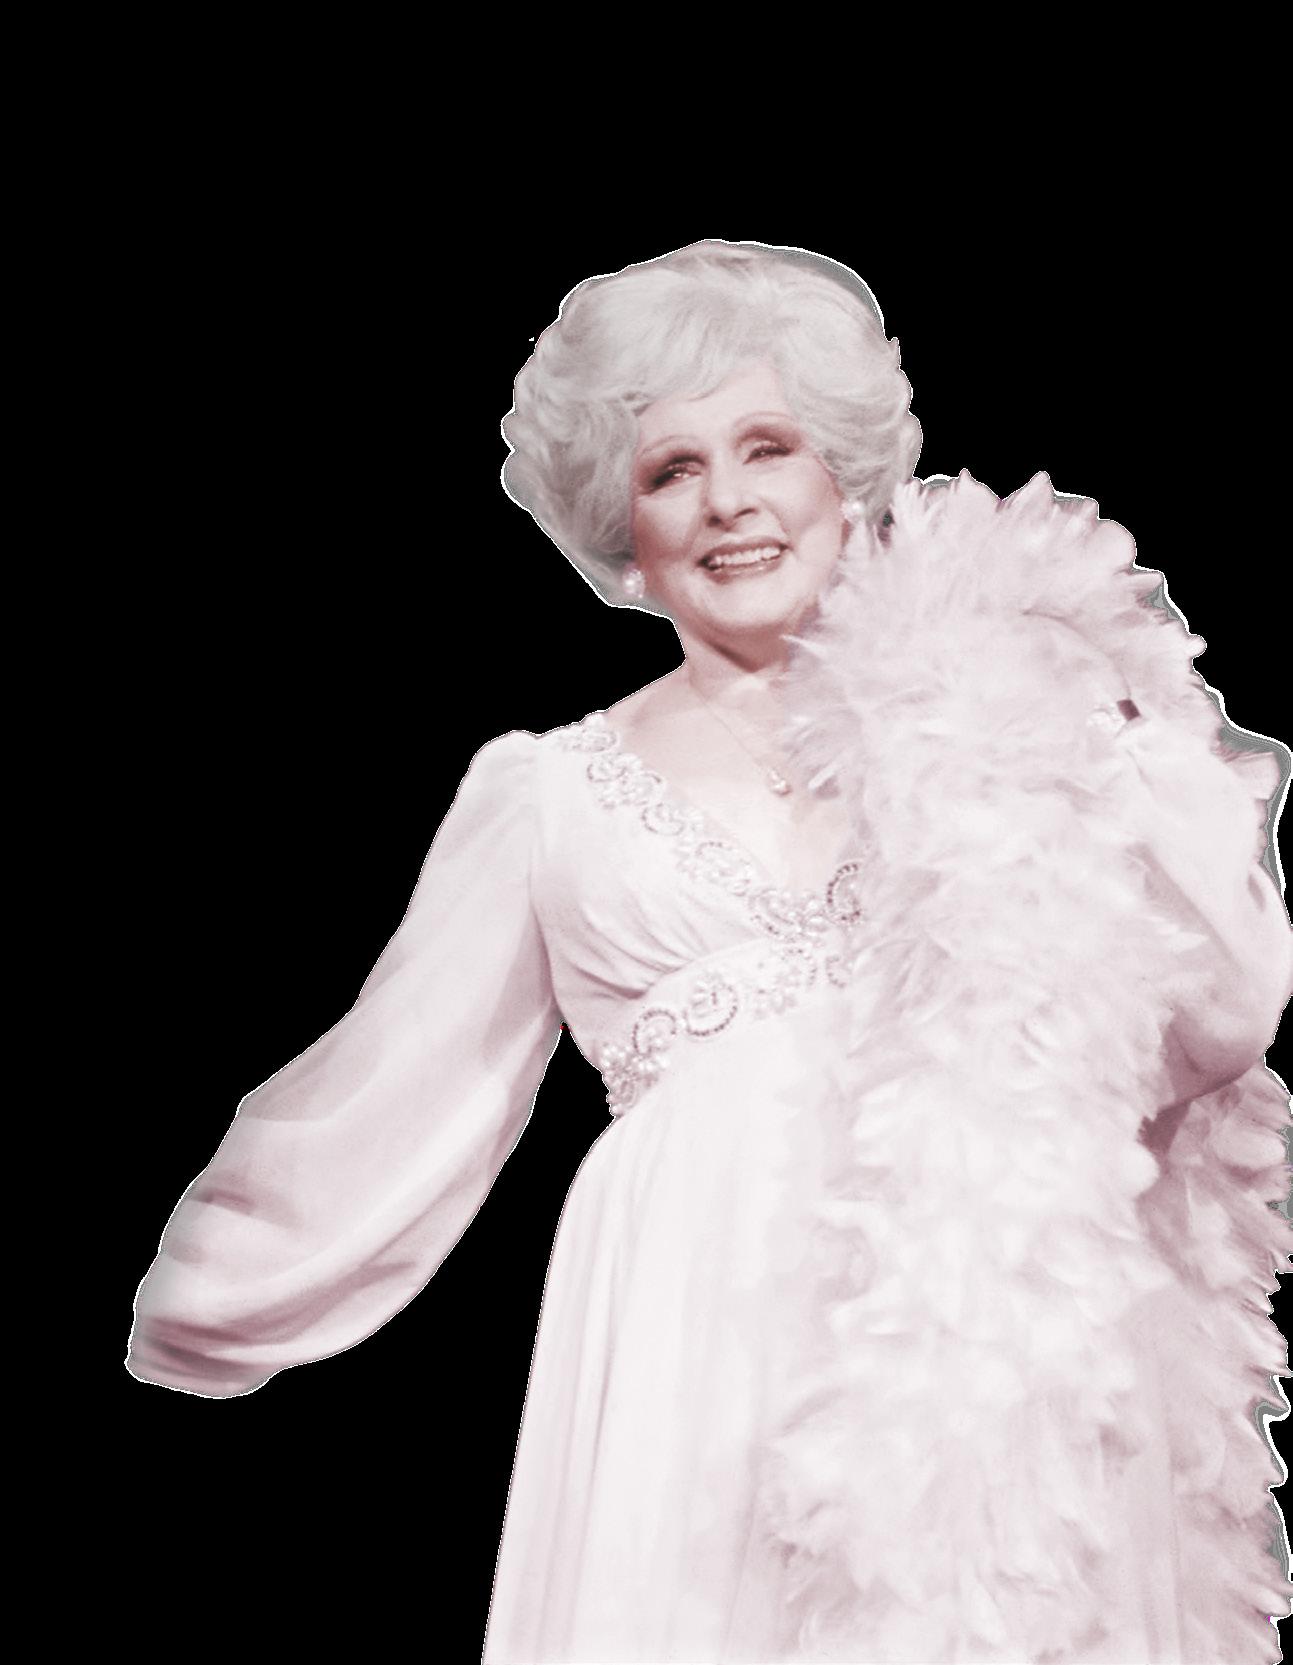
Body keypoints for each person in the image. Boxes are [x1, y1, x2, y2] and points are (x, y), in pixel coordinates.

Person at [125, 241, 1293, 1663]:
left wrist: (1113, 735)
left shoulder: (999, 729)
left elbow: (1212, 1024)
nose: (727, 500)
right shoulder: (546, 794)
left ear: (840, 475)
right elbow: (393, 1097)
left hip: (983, 1329)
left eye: (766, 446)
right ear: (620, 520)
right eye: (672, 468)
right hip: (692, 1320)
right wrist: (194, 1301)